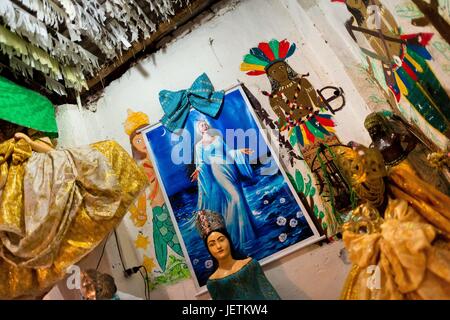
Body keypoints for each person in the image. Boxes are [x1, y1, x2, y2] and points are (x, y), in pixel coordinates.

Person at [190, 120, 257, 251]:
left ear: (207, 125)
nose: (204, 125)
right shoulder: (199, 146)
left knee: (240, 198)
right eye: (200, 125)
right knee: (235, 197)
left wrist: (241, 151)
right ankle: (233, 235)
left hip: (229, 168)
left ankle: (248, 234)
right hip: (218, 171)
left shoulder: (217, 138)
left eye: (204, 123)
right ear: (199, 129)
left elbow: (229, 152)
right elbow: (202, 162)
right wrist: (198, 170)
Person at [195, 210, 281, 300]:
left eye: (221, 239)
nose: (218, 246)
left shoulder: (250, 265)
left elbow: (269, 292)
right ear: (208, 249)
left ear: (228, 240)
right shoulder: (213, 282)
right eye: (212, 244)